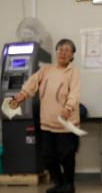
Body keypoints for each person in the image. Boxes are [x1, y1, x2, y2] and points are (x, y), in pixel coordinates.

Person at [10, 39, 80, 193]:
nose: (63, 52)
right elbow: (32, 82)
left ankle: (69, 185)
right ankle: (58, 183)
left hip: (66, 123)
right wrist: (22, 94)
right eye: (60, 49)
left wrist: (68, 108)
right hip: (47, 121)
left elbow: (74, 93)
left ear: (72, 56)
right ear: (56, 52)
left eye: (68, 50)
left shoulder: (73, 72)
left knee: (66, 156)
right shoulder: (46, 69)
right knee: (47, 155)